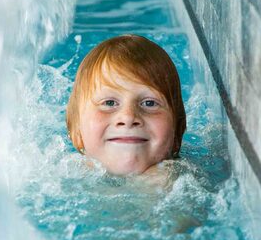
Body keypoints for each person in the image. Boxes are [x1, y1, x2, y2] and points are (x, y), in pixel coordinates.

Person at [66, 34, 186, 177]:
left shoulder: (188, 182)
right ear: (77, 132)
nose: (128, 117)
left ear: (177, 133)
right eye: (109, 103)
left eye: (149, 103)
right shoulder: (58, 178)